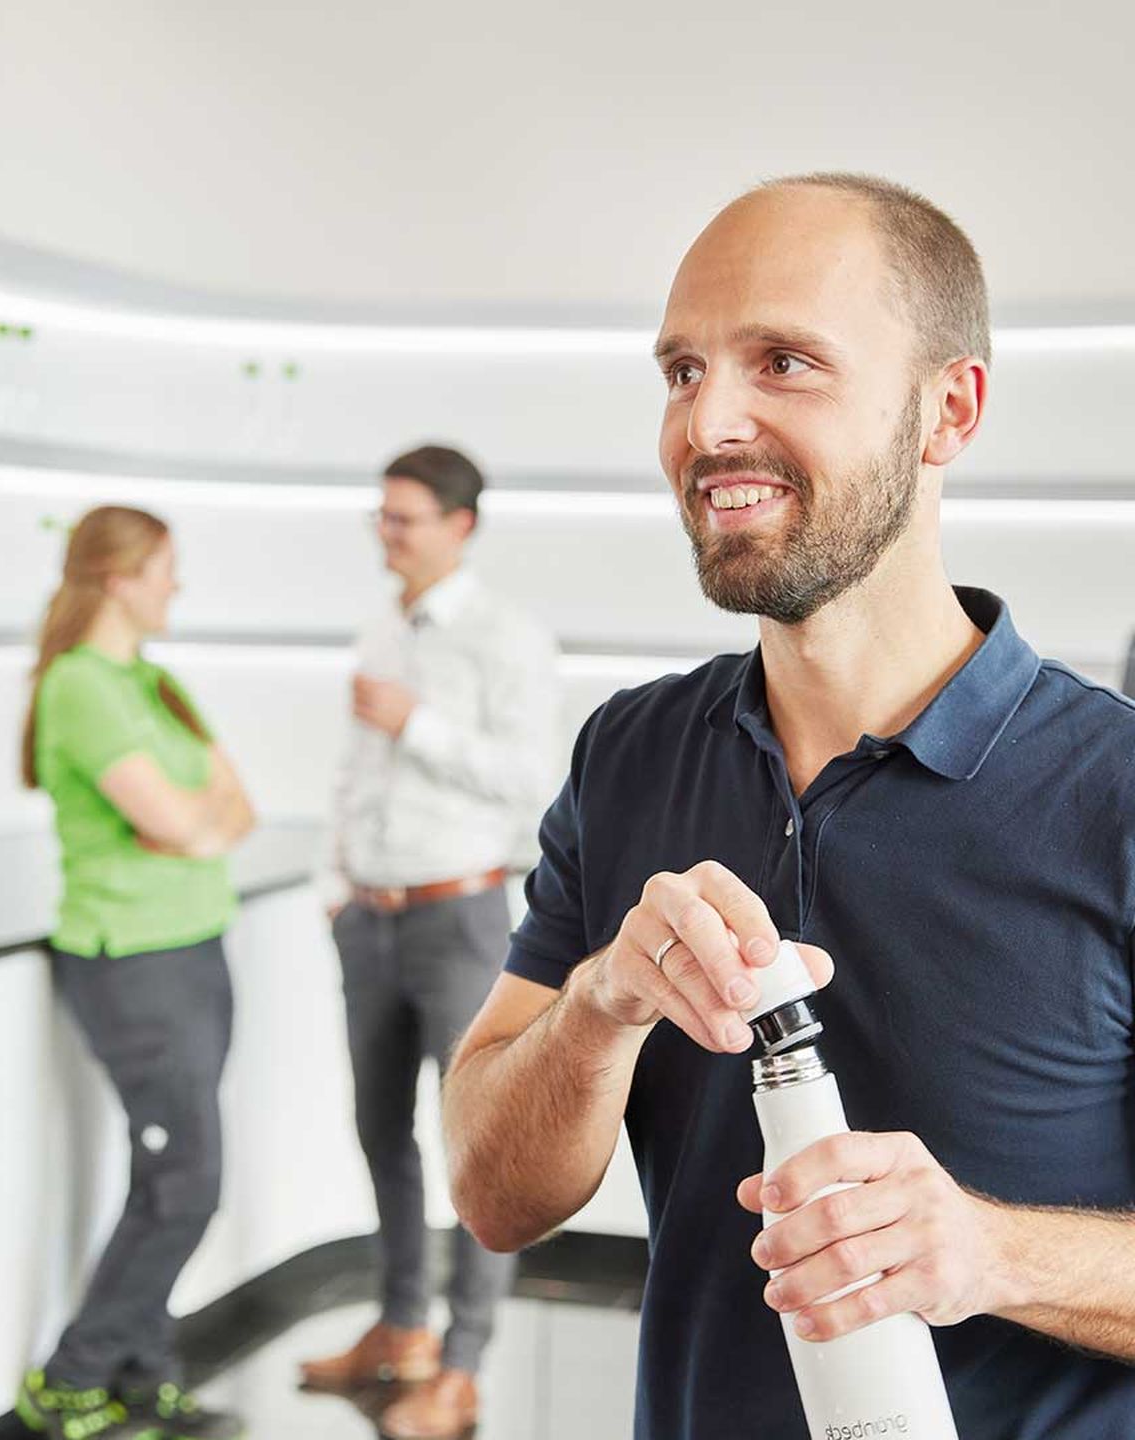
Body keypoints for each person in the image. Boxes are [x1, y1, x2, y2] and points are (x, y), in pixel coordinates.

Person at [442, 173, 1135, 1439]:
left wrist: (992, 1253)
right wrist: (601, 1007)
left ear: (949, 410)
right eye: (682, 371)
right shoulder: (627, 754)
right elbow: (493, 1197)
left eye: (785, 363)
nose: (710, 425)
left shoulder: (1117, 795)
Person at [300, 445, 559, 1439]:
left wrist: (421, 726)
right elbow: (351, 775)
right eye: (382, 516)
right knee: (379, 1132)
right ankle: (401, 1328)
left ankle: (461, 1366)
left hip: (460, 919)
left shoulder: (508, 639)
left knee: (477, 1150)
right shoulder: (379, 626)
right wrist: (335, 890)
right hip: (368, 917)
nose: (387, 535)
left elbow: (532, 780)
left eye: (404, 519)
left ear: (462, 526)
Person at [16, 505, 254, 1440]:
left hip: (196, 945)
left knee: (168, 1179)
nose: (175, 585)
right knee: (188, 1181)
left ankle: (144, 1378)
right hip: (129, 960)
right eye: (163, 568)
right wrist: (196, 824)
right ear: (117, 578)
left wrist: (197, 823)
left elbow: (232, 810)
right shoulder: (78, 686)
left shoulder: (156, 682)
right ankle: (68, 1378)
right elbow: (184, 821)